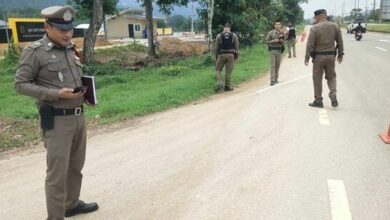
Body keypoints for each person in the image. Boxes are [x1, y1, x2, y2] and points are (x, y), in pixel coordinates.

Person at [14, 5, 98, 219]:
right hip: (57, 121)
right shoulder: (35, 52)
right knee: (57, 174)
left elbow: (75, 79)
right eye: (61, 29)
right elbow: (21, 85)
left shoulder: (70, 48)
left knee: (75, 167)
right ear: (47, 27)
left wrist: (85, 95)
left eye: (69, 29)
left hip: (79, 117)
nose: (67, 34)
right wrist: (56, 94)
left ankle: (71, 204)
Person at [305, 9, 344, 108]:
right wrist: (340, 54)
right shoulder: (335, 26)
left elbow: (310, 44)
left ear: (318, 17)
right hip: (331, 56)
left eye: (315, 18)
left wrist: (307, 57)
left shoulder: (315, 28)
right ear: (325, 16)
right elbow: (340, 42)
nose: (315, 19)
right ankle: (333, 94)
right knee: (331, 77)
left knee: (317, 78)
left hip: (318, 57)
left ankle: (318, 100)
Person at [214, 23, 239, 93]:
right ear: (229, 28)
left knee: (218, 70)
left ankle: (219, 84)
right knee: (228, 72)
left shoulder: (219, 35)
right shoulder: (234, 35)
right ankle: (227, 86)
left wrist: (216, 58)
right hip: (231, 55)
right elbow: (237, 47)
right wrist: (237, 57)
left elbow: (216, 48)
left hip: (222, 55)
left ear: (223, 28)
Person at [266, 19, 285, 86]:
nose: (277, 25)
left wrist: (281, 41)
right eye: (276, 24)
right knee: (273, 65)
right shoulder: (270, 33)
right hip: (272, 50)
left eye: (279, 24)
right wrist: (273, 41)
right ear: (274, 25)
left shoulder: (282, 33)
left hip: (279, 51)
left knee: (278, 65)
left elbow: (284, 41)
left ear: (281, 25)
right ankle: (272, 80)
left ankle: (276, 78)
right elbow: (266, 41)